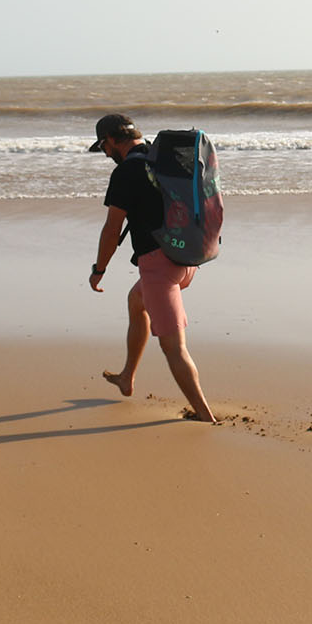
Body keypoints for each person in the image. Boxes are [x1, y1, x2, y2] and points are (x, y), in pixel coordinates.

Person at [87, 113, 217, 423]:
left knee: (174, 348)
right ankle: (127, 377)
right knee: (136, 301)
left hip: (159, 268)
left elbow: (111, 229)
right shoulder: (163, 160)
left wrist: (99, 270)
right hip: (188, 258)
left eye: (103, 147)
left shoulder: (127, 172)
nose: (105, 154)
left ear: (112, 141)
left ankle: (205, 416)